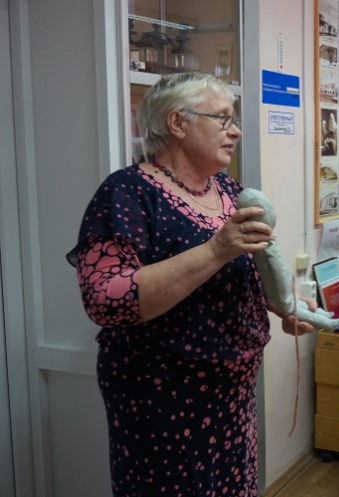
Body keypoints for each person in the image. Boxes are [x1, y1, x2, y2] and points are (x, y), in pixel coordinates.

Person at [66, 72, 317, 495]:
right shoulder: (127, 192)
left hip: (233, 396)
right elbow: (106, 300)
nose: (235, 130)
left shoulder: (230, 191)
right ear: (178, 123)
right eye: (222, 118)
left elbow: (250, 271)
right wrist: (216, 250)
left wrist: (284, 307)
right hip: (163, 402)